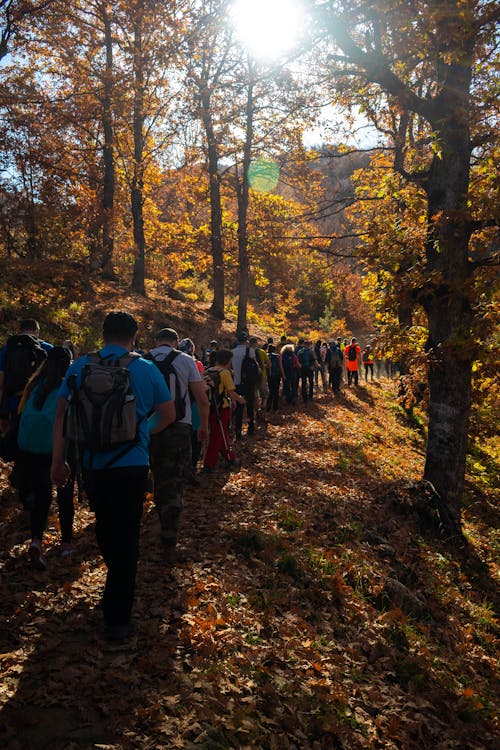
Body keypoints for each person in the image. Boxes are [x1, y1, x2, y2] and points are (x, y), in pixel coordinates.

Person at [51, 312, 175, 643]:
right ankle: (117, 618)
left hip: (91, 463)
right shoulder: (145, 368)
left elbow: (61, 415)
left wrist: (58, 461)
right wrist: (140, 433)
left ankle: (115, 586)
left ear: (103, 335)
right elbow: (169, 414)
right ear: (134, 336)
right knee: (127, 535)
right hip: (131, 464)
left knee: (106, 528)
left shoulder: (79, 366)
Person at [146, 328, 209, 557]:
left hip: (150, 427)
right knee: (175, 478)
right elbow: (201, 398)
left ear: (156, 341)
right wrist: (203, 425)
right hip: (180, 427)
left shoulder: (143, 359)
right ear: (176, 342)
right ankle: (169, 528)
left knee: (156, 471)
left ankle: (159, 508)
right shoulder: (186, 360)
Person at [17, 346, 75, 569]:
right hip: (59, 447)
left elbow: (21, 412)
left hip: (32, 450)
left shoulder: (34, 384)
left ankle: (36, 541)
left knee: (42, 497)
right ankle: (67, 543)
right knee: (64, 495)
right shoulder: (68, 386)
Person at [203, 349, 245, 472]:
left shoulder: (208, 371)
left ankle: (230, 458)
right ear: (227, 360)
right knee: (217, 436)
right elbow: (231, 392)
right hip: (222, 408)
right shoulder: (225, 373)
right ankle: (209, 464)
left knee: (221, 434)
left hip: (210, 407)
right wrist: (240, 400)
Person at [179, 337, 206, 473]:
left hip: (178, 403)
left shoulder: (174, 361)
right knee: (196, 437)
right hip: (194, 403)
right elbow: (201, 386)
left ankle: (182, 467)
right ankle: (192, 466)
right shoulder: (197, 364)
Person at [231, 330, 257, 439]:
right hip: (248, 383)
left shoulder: (231, 352)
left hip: (236, 383)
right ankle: (251, 427)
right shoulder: (250, 351)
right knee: (250, 406)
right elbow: (256, 367)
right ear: (246, 340)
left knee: (239, 408)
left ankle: (238, 431)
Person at [250, 336, 270, 415]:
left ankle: (256, 411)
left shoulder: (247, 352)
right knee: (264, 394)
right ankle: (263, 407)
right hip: (262, 375)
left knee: (255, 395)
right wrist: (263, 367)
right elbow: (269, 364)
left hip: (251, 377)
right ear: (256, 343)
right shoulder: (262, 351)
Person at [266, 344, 281, 411]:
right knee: (276, 391)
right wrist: (283, 375)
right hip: (277, 375)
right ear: (274, 349)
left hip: (269, 375)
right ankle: (275, 407)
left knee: (270, 391)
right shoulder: (278, 356)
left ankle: (268, 406)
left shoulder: (266, 355)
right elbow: (280, 366)